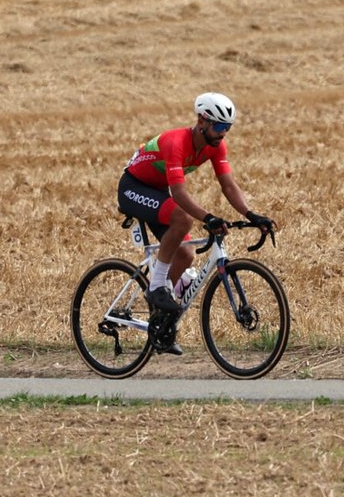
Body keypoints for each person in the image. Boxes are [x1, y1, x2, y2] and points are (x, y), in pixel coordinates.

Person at [116, 92, 275, 355]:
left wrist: (251, 215)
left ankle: (161, 325)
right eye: (219, 126)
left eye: (228, 127)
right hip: (134, 187)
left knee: (187, 254)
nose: (223, 133)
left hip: (157, 193)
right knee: (183, 219)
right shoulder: (176, 142)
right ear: (202, 121)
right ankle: (156, 287)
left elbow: (228, 185)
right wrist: (208, 217)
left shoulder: (215, 146)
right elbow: (178, 194)